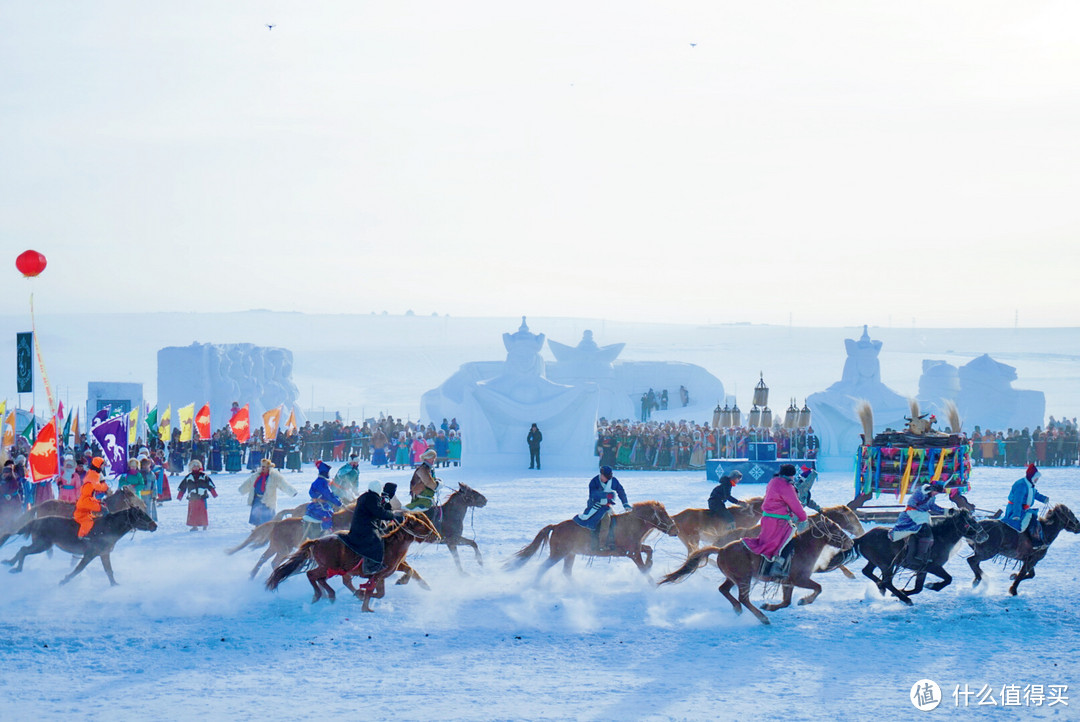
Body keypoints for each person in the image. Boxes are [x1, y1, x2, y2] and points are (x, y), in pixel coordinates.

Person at [742, 464, 807, 565]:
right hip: (778, 521)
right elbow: (794, 503)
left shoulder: (773, 481)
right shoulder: (786, 486)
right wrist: (803, 517)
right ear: (791, 475)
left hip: (767, 518)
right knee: (786, 540)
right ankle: (776, 566)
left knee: (767, 541)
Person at [341, 480, 402, 577]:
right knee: (377, 541)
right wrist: (393, 515)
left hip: (362, 525)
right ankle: (372, 566)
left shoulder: (366, 496)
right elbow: (379, 512)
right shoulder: (372, 498)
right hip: (365, 527)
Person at [573, 465, 631, 552]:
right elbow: (593, 494)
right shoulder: (594, 482)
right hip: (595, 505)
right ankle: (602, 545)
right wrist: (607, 495)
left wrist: (625, 504)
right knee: (606, 520)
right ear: (601, 474)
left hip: (607, 506)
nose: (606, 479)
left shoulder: (613, 481)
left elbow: (620, 491)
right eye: (605, 477)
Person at [889, 479, 946, 567]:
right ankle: (916, 555)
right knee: (924, 530)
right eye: (936, 492)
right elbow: (912, 504)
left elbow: (932, 507)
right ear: (932, 489)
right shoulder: (920, 492)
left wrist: (947, 511)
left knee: (930, 531)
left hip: (921, 516)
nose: (936, 494)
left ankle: (925, 552)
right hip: (911, 516)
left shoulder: (931, 496)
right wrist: (925, 497)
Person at [1004, 463, 1050, 557]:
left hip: (1024, 509)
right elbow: (1017, 500)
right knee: (1030, 521)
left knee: (1034, 518)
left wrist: (1043, 499)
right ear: (1032, 477)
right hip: (1015, 510)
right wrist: (1016, 514)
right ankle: (1034, 542)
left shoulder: (1030, 485)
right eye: (1036, 478)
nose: (1037, 480)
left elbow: (1035, 494)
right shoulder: (1021, 485)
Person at [239, 458, 297, 526]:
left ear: (268, 467)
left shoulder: (274, 476)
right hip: (257, 498)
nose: (263, 468)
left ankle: (268, 528)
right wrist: (242, 489)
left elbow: (283, 484)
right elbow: (248, 483)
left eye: (264, 467)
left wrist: (292, 492)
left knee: (267, 516)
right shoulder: (256, 475)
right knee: (256, 514)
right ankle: (257, 528)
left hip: (267, 499)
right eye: (262, 466)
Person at [302, 460, 342, 539]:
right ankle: (326, 533)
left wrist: (337, 498)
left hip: (319, 504)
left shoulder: (319, 481)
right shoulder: (322, 482)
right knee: (328, 516)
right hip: (320, 506)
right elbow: (328, 495)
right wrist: (338, 503)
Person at [176, 459, 218, 531]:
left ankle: (204, 524)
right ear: (191, 468)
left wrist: (214, 493)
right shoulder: (188, 477)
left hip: (202, 497)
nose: (195, 467)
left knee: (203, 511)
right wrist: (180, 496)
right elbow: (182, 487)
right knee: (193, 512)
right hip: (192, 497)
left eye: (197, 466)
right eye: (194, 466)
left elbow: (210, 485)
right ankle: (194, 525)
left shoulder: (204, 476)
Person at [73, 457, 110, 538]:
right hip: (85, 502)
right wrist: (106, 487)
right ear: (99, 465)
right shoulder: (93, 475)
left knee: (99, 512)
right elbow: (98, 487)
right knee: (88, 521)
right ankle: (82, 536)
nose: (104, 466)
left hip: (88, 500)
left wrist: (99, 503)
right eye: (103, 465)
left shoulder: (93, 473)